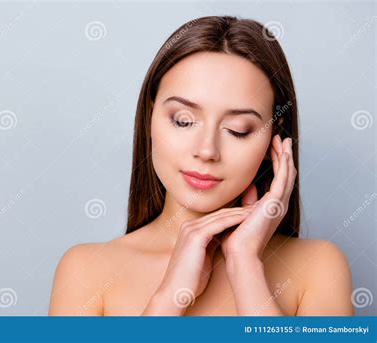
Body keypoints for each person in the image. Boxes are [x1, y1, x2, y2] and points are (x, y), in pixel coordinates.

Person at [48, 16, 354, 316]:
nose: (207, 150)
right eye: (183, 121)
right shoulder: (86, 271)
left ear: (273, 139)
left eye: (238, 129)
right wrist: (169, 299)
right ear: (150, 118)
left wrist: (244, 264)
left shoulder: (318, 267)